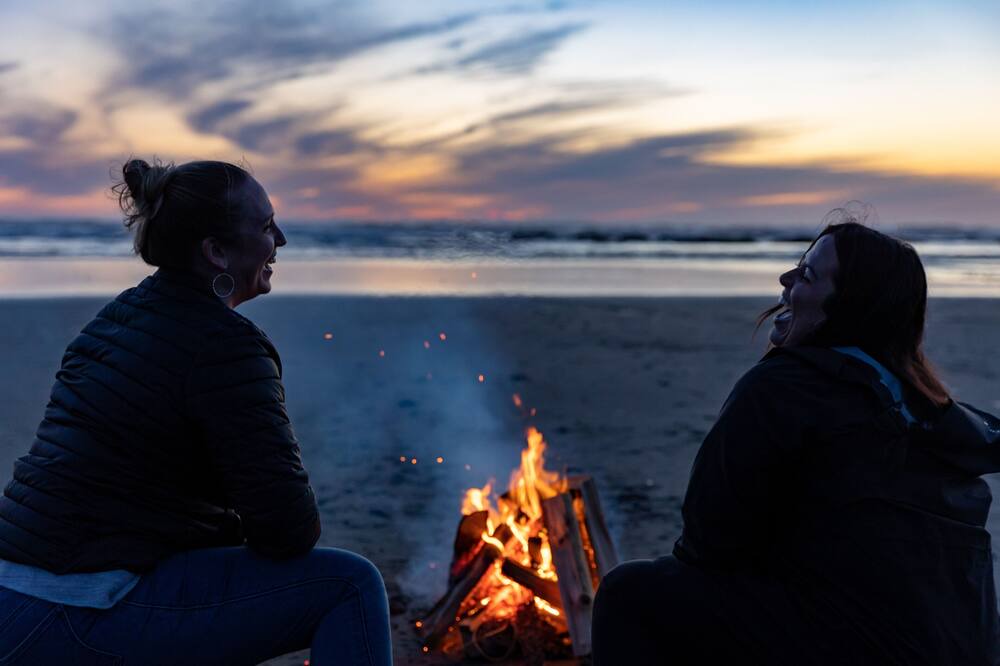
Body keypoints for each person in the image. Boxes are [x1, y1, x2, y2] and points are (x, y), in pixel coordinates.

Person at [0, 159, 393, 665]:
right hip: (73, 615)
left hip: (12, 596)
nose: (282, 240)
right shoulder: (227, 347)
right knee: (351, 585)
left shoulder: (113, 319)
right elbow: (289, 530)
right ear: (216, 252)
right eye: (267, 226)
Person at [592, 213, 1000, 665]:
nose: (785, 279)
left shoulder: (784, 386)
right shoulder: (936, 412)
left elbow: (706, 541)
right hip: (959, 646)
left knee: (629, 592)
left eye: (806, 274)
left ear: (848, 305)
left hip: (860, 644)